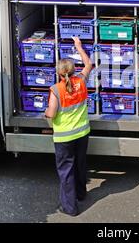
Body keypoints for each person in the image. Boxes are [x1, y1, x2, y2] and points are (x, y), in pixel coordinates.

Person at [45, 37, 93, 216]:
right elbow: (88, 63)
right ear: (74, 71)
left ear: (58, 73)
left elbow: (51, 113)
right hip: (82, 133)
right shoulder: (81, 82)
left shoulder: (56, 89)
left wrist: (45, 112)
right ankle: (81, 195)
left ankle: (70, 208)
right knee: (80, 165)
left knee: (66, 171)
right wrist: (78, 47)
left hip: (64, 137)